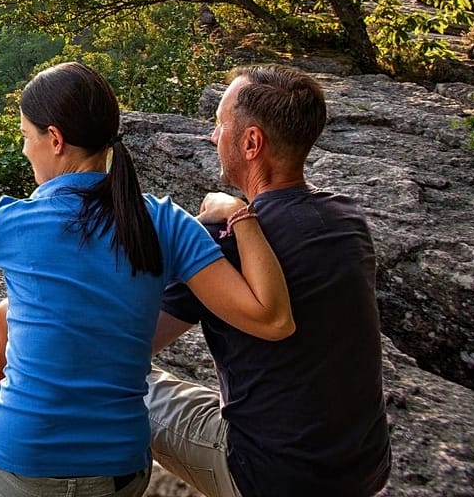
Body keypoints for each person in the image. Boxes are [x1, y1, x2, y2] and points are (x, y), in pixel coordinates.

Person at [0, 62, 295, 497]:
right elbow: (272, 318)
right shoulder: (165, 222)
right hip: (121, 478)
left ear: (55, 139)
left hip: (12, 476)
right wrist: (240, 214)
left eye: (27, 136)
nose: (25, 150)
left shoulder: (11, 219)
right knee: (7, 314)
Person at [148, 64, 391, 497]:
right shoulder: (347, 219)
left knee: (120, 382)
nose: (211, 136)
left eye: (219, 125)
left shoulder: (220, 241)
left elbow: (135, 345)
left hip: (270, 476)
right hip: (364, 465)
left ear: (252, 142)